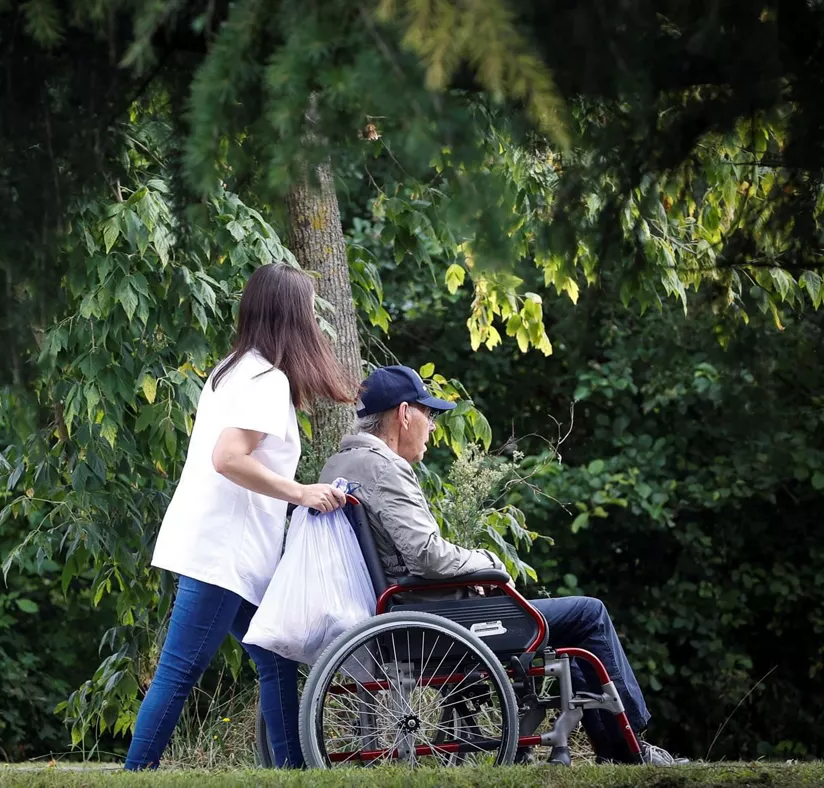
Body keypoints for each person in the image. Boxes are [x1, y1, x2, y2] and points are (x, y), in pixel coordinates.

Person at [317, 364, 689, 766]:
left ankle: (616, 749)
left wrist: (464, 577)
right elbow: (428, 555)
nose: (433, 427)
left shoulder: (339, 466)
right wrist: (486, 562)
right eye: (429, 414)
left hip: (402, 612)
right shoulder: (385, 467)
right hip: (431, 620)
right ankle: (630, 747)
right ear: (405, 414)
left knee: (570, 625)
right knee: (588, 615)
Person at [124, 263, 357, 770]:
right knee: (181, 670)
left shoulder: (234, 369)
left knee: (276, 658)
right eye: (309, 310)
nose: (314, 321)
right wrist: (301, 493)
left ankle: (293, 772)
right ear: (290, 315)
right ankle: (135, 774)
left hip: (230, 549)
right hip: (225, 554)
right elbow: (228, 458)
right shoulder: (265, 380)